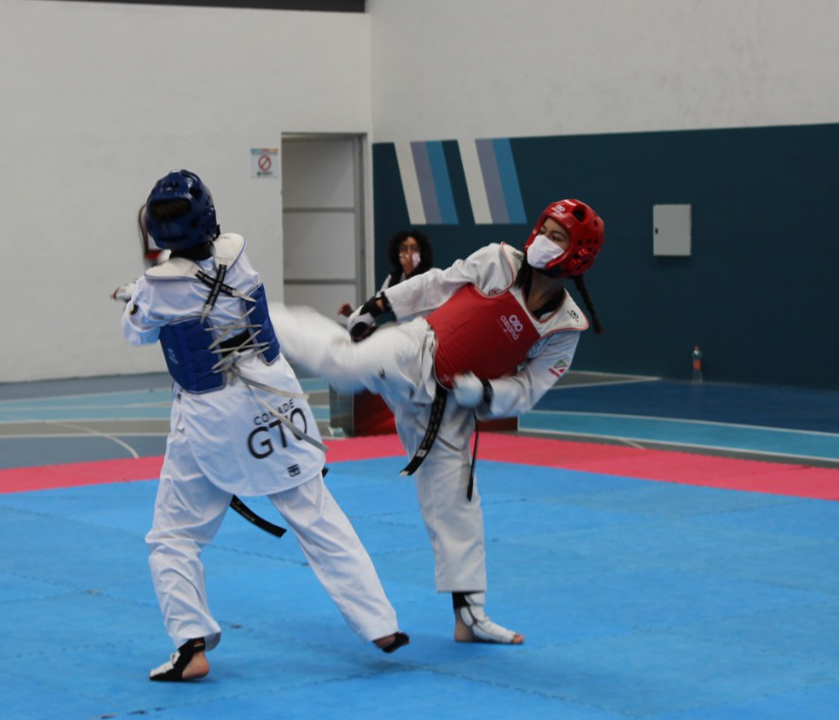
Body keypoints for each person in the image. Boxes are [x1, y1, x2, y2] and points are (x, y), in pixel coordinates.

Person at [114, 169, 407, 682]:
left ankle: (191, 645)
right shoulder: (236, 253)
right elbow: (202, 281)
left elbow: (137, 331)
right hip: (275, 400)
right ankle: (380, 622)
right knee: (317, 515)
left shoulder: (158, 287)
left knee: (174, 535)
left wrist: (136, 294)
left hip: (211, 417)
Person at [273, 198, 605, 645]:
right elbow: (436, 285)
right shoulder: (500, 261)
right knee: (346, 367)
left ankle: (470, 617)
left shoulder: (565, 328)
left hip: (450, 409)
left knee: (457, 503)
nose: (544, 240)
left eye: (557, 236)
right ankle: (265, 316)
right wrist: (378, 304)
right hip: (416, 349)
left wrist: (487, 393)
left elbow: (528, 390)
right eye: (544, 229)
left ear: (578, 253)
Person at [338, 228, 434, 317]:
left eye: (414, 249)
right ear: (397, 254)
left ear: (422, 253)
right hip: (403, 331)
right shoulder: (393, 279)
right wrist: (353, 314)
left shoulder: (430, 276)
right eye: (403, 249)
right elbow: (375, 304)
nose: (408, 253)